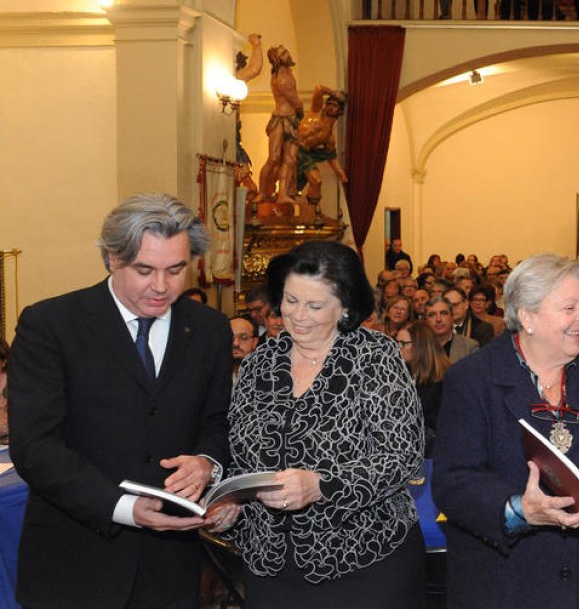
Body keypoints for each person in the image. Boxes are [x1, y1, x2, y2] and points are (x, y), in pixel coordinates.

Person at [8, 193, 233, 608]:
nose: (161, 286)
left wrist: (206, 463)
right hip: (74, 563)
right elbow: (34, 446)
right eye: (144, 269)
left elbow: (216, 422)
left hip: (170, 568)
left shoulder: (209, 329)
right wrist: (122, 507)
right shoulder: (51, 325)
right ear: (113, 258)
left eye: (176, 269)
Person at [432, 254, 579, 608]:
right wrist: (517, 509)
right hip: (504, 584)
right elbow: (454, 483)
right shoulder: (473, 379)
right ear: (527, 317)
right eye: (569, 307)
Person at [220, 240, 426, 607]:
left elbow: (402, 455)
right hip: (270, 565)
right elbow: (241, 453)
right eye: (290, 300)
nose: (297, 316)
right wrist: (230, 501)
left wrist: (321, 485)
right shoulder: (258, 364)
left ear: (344, 308)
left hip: (365, 560)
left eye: (314, 305)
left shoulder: (375, 358)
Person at [397, 321, 450, 458]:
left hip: (434, 453)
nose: (398, 348)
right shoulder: (405, 372)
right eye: (396, 342)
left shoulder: (440, 381)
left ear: (420, 346)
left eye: (403, 343)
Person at [258, 45, 303, 204]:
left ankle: (282, 193)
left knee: (290, 159)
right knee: (274, 158)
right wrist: (301, 109)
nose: (288, 54)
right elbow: (294, 100)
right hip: (281, 119)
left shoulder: (287, 73)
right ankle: (262, 192)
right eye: (284, 53)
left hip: (291, 119)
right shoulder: (282, 78)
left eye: (287, 51)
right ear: (278, 60)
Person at [295, 86, 349, 217]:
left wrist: (342, 176)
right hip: (293, 148)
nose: (330, 107)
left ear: (340, 111)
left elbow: (331, 157)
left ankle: (312, 211)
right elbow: (319, 89)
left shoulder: (329, 137)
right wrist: (334, 93)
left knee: (316, 181)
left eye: (334, 105)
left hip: (303, 155)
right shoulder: (316, 111)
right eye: (329, 103)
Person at [231, 313, 260, 378]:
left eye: (243, 337)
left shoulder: (266, 374)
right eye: (231, 337)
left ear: (254, 342)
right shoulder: (212, 373)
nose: (236, 343)